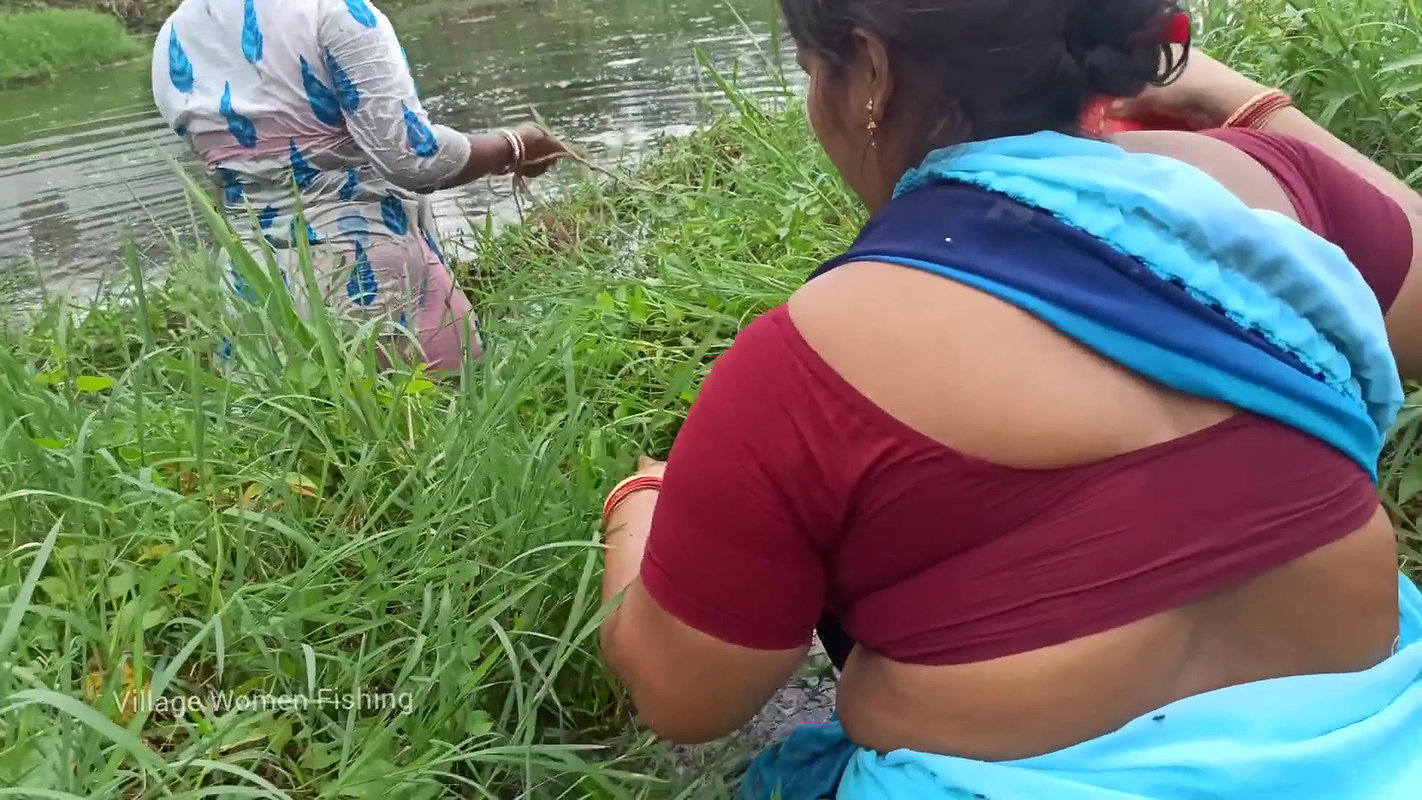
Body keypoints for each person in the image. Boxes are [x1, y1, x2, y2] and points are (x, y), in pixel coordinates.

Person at [595, 2, 1422, 798]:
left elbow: (684, 698)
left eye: (816, 70)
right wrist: (1247, 103)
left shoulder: (807, 361)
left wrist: (640, 506)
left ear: (871, 72)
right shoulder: (1275, 203)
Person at [151, 0, 566, 370]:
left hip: (256, 295)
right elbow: (414, 159)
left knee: (306, 450)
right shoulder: (336, 13)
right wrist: (514, 147)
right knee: (440, 439)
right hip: (371, 287)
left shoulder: (173, 37)